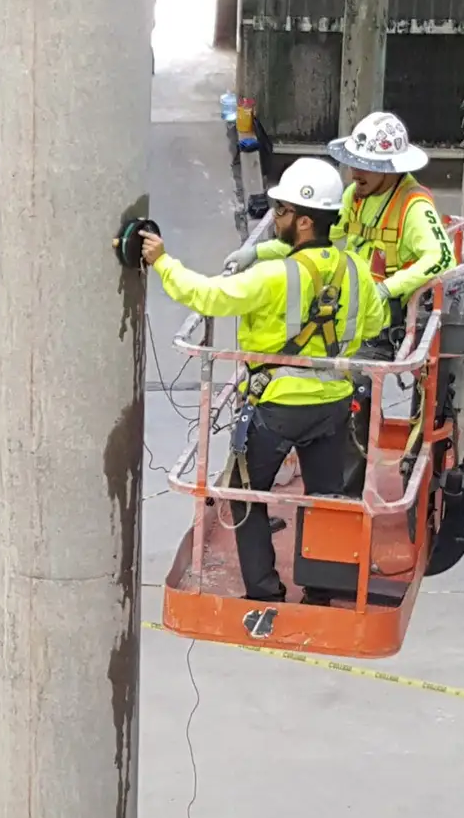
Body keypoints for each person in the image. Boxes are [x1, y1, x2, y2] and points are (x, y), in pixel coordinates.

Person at [142, 158, 385, 604]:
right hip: (333, 403)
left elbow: (208, 296)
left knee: (246, 494)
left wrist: (162, 262)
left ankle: (264, 591)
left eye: (283, 211)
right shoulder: (356, 271)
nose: (275, 218)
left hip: (276, 406)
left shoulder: (275, 277)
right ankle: (320, 590)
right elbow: (375, 321)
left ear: (306, 220)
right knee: (325, 500)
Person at [327, 111, 455, 311]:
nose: (354, 174)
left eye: (365, 165)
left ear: (389, 167)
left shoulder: (414, 205)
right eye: (353, 163)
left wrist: (386, 289)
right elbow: (327, 235)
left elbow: (443, 258)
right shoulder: (355, 194)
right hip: (350, 296)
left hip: (380, 313)